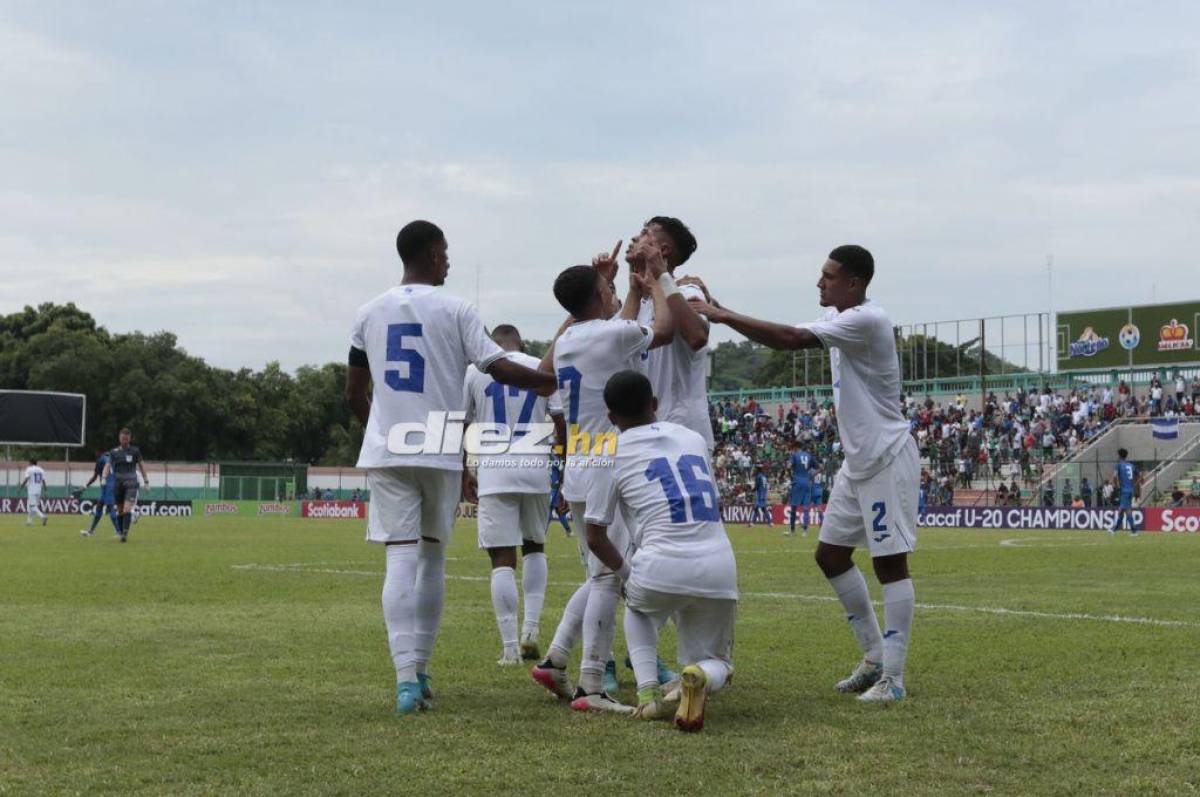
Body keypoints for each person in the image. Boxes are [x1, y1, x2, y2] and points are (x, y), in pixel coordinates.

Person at [688, 244, 918, 703]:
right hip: (859, 463)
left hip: (886, 456)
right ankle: (873, 659)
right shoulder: (843, 322)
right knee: (830, 556)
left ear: (854, 283)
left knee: (890, 564)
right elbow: (789, 333)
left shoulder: (867, 319)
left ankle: (893, 678)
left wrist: (720, 313)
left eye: (828, 276)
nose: (819, 281)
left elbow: (790, 339)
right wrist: (719, 310)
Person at [344, 220, 556, 716]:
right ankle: (418, 667)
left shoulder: (367, 312)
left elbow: (354, 393)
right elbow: (498, 366)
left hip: (389, 448)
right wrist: (545, 381)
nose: (449, 261)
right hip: (438, 447)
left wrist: (381, 425)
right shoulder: (457, 308)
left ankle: (403, 682)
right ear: (433, 254)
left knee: (399, 558)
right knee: (431, 559)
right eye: (446, 252)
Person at [530, 248, 674, 713]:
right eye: (606, 289)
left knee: (598, 575)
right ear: (597, 294)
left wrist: (614, 289)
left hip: (579, 460)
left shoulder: (571, 338)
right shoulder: (613, 333)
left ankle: (555, 659)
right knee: (611, 576)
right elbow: (664, 330)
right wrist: (654, 282)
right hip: (610, 461)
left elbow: (551, 367)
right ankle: (591, 684)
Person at [584, 371, 737, 731]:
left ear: (610, 417)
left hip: (659, 563)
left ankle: (648, 692)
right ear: (655, 405)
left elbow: (595, 536)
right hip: (718, 563)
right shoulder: (692, 437)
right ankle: (699, 672)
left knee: (636, 608)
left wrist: (626, 575)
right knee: (719, 663)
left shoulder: (608, 451)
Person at [462, 324, 563, 666]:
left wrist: (465, 470)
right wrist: (563, 470)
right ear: (522, 342)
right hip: (535, 467)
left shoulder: (477, 371)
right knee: (535, 545)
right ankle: (531, 632)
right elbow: (561, 420)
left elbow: (462, 423)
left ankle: (509, 648)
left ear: (493, 342)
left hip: (495, 471)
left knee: (501, 558)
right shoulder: (541, 365)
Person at [102, 429, 149, 542]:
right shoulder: (113, 452)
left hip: (131, 482)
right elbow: (108, 466)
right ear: (119, 438)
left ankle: (124, 534)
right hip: (117, 483)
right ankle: (121, 531)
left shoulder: (135, 451)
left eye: (126, 439)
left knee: (127, 508)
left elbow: (142, 466)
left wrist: (146, 481)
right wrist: (104, 478)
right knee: (120, 510)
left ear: (130, 439)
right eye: (123, 438)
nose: (124, 440)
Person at [80, 449, 120, 537]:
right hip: (112, 485)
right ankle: (91, 530)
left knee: (110, 508)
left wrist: (85, 485)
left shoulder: (100, 460)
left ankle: (119, 531)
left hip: (108, 486)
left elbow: (94, 477)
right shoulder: (112, 459)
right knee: (99, 505)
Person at [786, 441, 816, 536]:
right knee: (806, 507)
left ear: (796, 447)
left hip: (797, 482)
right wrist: (812, 475)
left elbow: (788, 466)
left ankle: (792, 531)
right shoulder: (809, 456)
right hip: (807, 482)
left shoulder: (794, 455)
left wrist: (791, 474)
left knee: (794, 507)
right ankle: (805, 532)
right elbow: (821, 467)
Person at [1110, 448, 1138, 535]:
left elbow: (1114, 476)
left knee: (1126, 510)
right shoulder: (1131, 465)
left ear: (1119, 456)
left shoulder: (1118, 465)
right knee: (1122, 510)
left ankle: (1134, 531)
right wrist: (1135, 483)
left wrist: (1115, 485)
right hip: (1130, 490)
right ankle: (1114, 530)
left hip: (1124, 491)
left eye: (1117, 455)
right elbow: (1140, 476)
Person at [19, 459, 48, 527]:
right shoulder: (41, 470)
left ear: (31, 463)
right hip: (39, 490)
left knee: (32, 506)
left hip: (32, 490)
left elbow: (26, 479)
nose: (28, 464)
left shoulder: (29, 469)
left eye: (29, 463)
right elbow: (43, 480)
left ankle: (43, 517)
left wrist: (21, 487)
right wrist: (46, 490)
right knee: (31, 506)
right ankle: (29, 522)